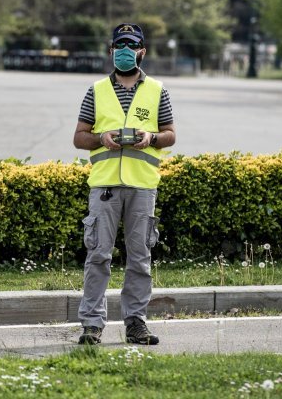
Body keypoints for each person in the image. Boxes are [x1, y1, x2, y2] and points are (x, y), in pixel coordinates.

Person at [73, 22, 176, 345]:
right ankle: (92, 325)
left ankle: (136, 323)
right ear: (111, 51)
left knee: (140, 257)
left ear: (142, 52)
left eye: (131, 47)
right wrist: (101, 138)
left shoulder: (158, 90)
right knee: (98, 256)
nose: (125, 52)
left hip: (143, 186)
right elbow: (79, 137)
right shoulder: (96, 90)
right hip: (104, 187)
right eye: (120, 47)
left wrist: (152, 138)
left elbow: (171, 134)